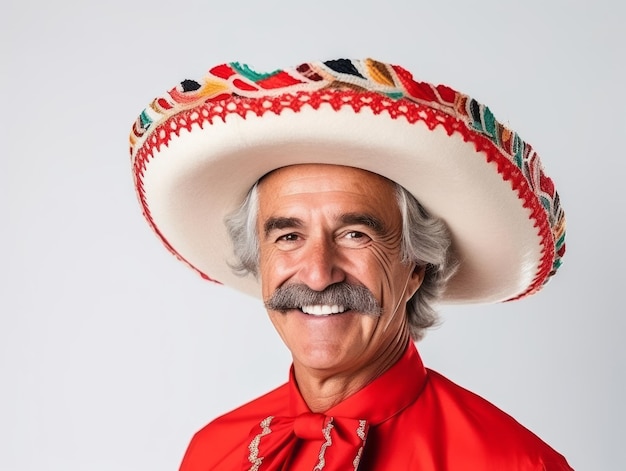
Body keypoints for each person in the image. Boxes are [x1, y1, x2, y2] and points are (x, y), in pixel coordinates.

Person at [129, 58, 572, 470]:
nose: (319, 274)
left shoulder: (511, 462)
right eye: (289, 236)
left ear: (415, 265)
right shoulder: (211, 451)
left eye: (355, 235)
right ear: (259, 261)